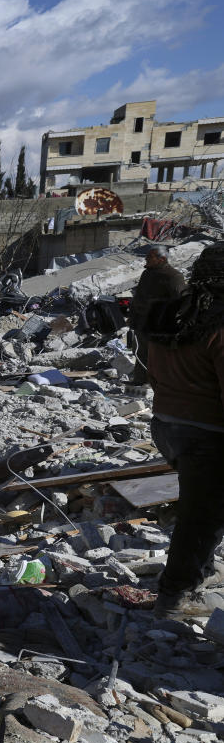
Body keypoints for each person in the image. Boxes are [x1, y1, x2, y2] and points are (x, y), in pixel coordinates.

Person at [146, 243, 224, 617]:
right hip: (207, 435)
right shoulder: (220, 323)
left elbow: (151, 369)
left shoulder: (175, 311)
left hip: (167, 425)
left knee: (206, 509)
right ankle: (175, 597)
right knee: (201, 518)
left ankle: (199, 572)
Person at [131, 245, 186, 385]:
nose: (146, 259)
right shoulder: (147, 273)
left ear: (161, 259)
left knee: (158, 355)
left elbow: (180, 301)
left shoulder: (173, 276)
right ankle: (140, 381)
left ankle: (160, 384)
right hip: (142, 322)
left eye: (150, 257)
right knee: (140, 353)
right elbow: (140, 296)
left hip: (159, 324)